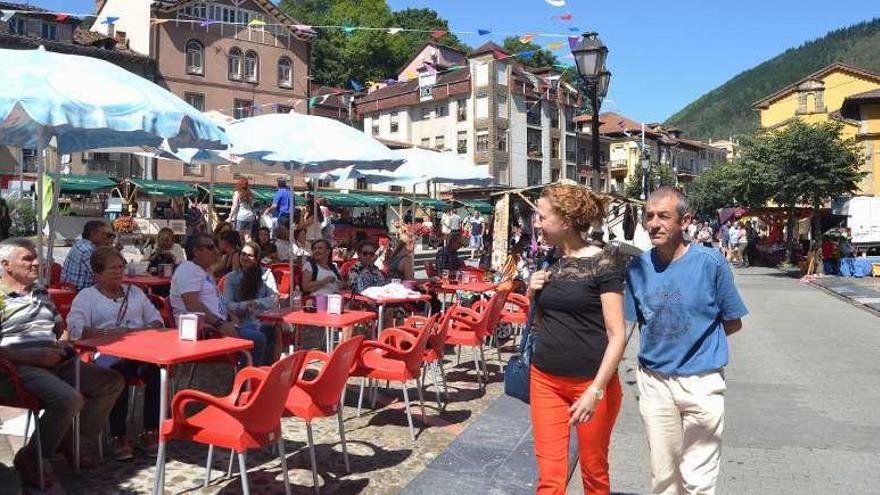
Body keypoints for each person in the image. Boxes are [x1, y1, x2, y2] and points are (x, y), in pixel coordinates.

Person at [624, 187, 748, 495]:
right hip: (654, 383)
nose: (654, 223)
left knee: (699, 478)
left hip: (702, 381)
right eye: (649, 216)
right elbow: (629, 326)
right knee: (663, 476)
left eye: (663, 216)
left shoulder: (710, 262)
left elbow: (733, 320)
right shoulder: (638, 267)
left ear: (685, 221)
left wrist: (695, 345)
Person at [526, 183, 627, 495]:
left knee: (594, 474)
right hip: (544, 380)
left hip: (591, 384)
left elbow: (618, 335)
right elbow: (540, 321)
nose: (537, 223)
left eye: (542, 217)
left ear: (566, 221)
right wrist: (532, 290)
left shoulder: (604, 262)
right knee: (550, 480)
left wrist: (595, 392)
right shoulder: (549, 263)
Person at [0, 238, 124, 487]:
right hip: (19, 367)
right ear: (6, 265)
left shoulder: (40, 291)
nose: (37, 262)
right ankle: (31, 456)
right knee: (69, 399)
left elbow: (59, 328)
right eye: (28, 258)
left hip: (58, 361)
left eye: (36, 257)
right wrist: (31, 357)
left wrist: (64, 341)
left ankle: (69, 438)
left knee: (112, 382)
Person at [66, 247, 164, 460]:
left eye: (121, 267)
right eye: (113, 268)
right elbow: (75, 330)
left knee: (156, 371)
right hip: (104, 352)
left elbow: (157, 319)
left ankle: (150, 430)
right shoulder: (87, 297)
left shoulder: (135, 292)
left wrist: (142, 330)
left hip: (138, 350)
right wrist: (108, 333)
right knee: (116, 371)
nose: (119, 272)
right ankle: (118, 435)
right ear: (98, 273)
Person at [170, 233, 269, 367]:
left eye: (216, 246)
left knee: (269, 329)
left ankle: (263, 377)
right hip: (204, 332)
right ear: (196, 251)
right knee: (259, 339)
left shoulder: (205, 271)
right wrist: (220, 324)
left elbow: (215, 299)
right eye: (210, 247)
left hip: (219, 325)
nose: (216, 251)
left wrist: (229, 316)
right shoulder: (188, 270)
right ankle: (248, 383)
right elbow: (192, 305)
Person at [222, 242, 281, 364]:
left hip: (263, 319)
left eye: (250, 255)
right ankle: (251, 373)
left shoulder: (266, 274)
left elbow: (274, 299)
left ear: (257, 258)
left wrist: (256, 302)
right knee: (263, 333)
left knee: (270, 329)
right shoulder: (231, 277)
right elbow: (227, 304)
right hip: (240, 322)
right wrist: (246, 305)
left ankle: (265, 370)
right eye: (243, 254)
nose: (245, 258)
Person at [61, 220, 114, 290]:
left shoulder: (81, 243)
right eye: (103, 234)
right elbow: (102, 274)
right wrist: (110, 249)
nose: (107, 237)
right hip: (78, 292)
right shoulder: (88, 251)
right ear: (93, 234)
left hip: (70, 288)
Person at [228, 177, 257, 242]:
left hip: (241, 216)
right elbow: (252, 205)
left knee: (239, 236)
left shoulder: (237, 193)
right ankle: (249, 249)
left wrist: (230, 217)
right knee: (248, 237)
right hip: (250, 216)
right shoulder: (251, 193)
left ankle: (241, 250)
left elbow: (235, 206)